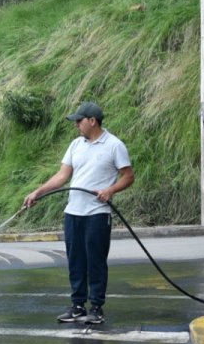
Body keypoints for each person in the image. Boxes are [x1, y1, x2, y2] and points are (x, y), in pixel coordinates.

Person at [23, 102, 134, 326]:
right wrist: (38, 191)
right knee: (76, 261)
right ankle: (77, 306)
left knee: (95, 261)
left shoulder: (114, 145)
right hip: (73, 212)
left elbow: (128, 176)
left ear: (92, 121)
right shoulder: (76, 145)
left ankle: (96, 307)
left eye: (79, 120)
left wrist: (110, 190)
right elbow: (62, 175)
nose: (76, 125)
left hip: (97, 212)